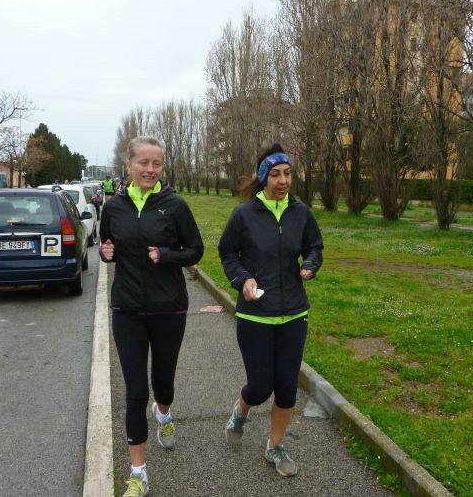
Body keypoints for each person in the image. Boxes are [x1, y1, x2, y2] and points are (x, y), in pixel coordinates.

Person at [99, 136, 204, 497]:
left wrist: (166, 255)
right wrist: (106, 253)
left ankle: (164, 414)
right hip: (127, 309)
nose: (150, 169)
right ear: (129, 164)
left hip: (168, 308)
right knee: (135, 391)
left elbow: (196, 250)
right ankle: (138, 472)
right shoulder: (114, 207)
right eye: (143, 162)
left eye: (156, 163)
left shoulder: (175, 206)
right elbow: (108, 246)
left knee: (163, 380)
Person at [217, 143, 323, 478]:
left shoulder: (300, 213)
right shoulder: (244, 215)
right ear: (264, 177)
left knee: (287, 389)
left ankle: (274, 446)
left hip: (293, 313)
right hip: (255, 314)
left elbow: (315, 246)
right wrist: (242, 279)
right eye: (275, 174)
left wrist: (311, 264)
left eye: (287, 174)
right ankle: (241, 412)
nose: (283, 181)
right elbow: (227, 253)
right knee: (261, 387)